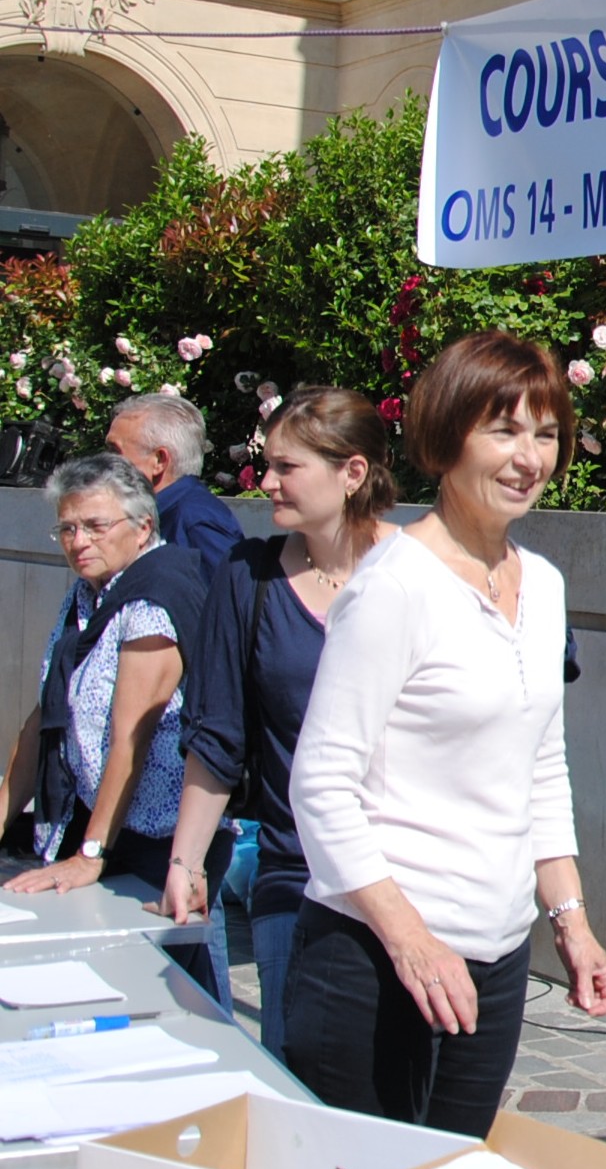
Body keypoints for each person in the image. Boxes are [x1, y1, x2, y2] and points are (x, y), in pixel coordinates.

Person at [287, 334, 606, 1134]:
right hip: (375, 959)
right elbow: (320, 783)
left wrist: (571, 923)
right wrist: (412, 942)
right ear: (447, 438)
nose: (529, 457)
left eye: (546, 434)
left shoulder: (544, 585)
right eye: (503, 431)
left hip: (495, 961)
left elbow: (540, 766)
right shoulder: (395, 586)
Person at [165, 388, 400, 1058]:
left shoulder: (420, 573)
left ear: (352, 472)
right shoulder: (250, 576)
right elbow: (217, 736)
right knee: (295, 1074)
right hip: (294, 874)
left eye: (286, 467)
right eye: (266, 464)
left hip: (413, 876)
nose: (265, 482)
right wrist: (186, 862)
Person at [0, 453, 221, 996]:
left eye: (96, 526)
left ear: (143, 527)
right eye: (68, 528)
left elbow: (130, 737)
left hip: (156, 839)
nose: (79, 542)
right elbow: (47, 714)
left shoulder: (154, 595)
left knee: (161, 992)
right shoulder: (89, 591)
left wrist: (89, 855)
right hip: (106, 827)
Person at [107, 394, 244, 573]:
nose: (104, 464)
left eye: (114, 452)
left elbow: (232, 588)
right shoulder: (157, 514)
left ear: (159, 460)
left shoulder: (196, 520)